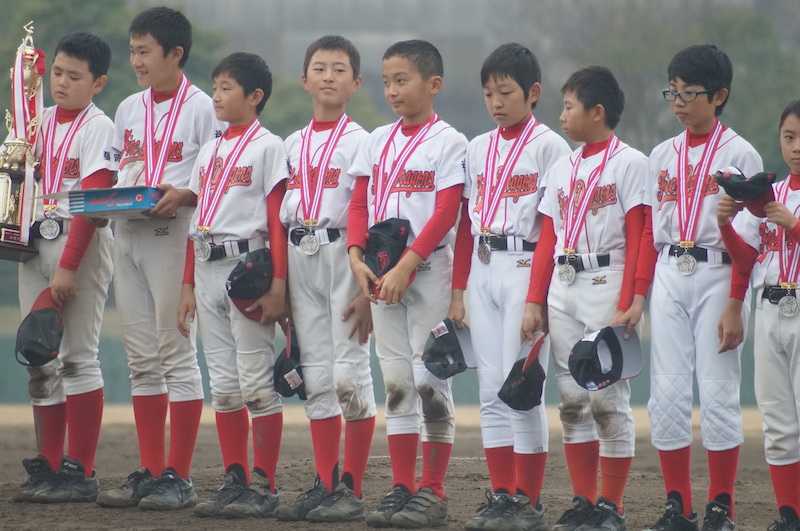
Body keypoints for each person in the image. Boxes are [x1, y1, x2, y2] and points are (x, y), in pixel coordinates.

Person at [95, 7, 223, 511]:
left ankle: (180, 476)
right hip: (127, 231)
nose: (136, 61)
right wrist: (101, 203)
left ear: (176, 53)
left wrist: (186, 193)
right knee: (141, 359)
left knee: (175, 353)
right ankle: (150, 471)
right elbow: (118, 170)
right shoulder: (129, 107)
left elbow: (217, 175)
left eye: (145, 51)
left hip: (174, 234)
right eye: (132, 51)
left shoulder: (203, 108)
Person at [639, 44, 762, 531]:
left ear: (719, 96)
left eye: (690, 92)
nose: (679, 102)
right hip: (671, 269)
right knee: (666, 393)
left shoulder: (740, 153)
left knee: (717, 391)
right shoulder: (660, 154)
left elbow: (749, 242)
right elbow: (651, 231)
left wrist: (735, 302)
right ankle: (677, 505)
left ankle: (721, 506)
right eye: (673, 91)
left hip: (718, 272)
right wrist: (640, 294)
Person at [447, 42, 569, 531]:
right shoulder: (478, 147)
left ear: (533, 92)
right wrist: (458, 289)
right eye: (488, 93)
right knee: (491, 389)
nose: (496, 102)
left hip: (524, 263)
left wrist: (537, 297)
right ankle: (501, 494)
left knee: (522, 389)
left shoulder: (549, 147)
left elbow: (554, 227)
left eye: (506, 92)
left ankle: (528, 501)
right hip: (483, 266)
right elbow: (464, 224)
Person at [521, 65, 647, 531]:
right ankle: (584, 501)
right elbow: (548, 240)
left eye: (569, 106)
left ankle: (611, 506)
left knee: (607, 398)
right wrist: (535, 301)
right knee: (572, 399)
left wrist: (632, 298)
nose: (561, 115)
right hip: (564, 282)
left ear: (597, 111)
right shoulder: (562, 167)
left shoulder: (630, 163)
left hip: (606, 279)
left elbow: (638, 235)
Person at [347, 39, 467, 528]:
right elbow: (359, 204)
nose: (392, 90)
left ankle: (432, 490)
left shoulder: (450, 142)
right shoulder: (376, 140)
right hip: (380, 274)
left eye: (402, 80)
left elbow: (446, 212)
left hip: (428, 271)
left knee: (429, 382)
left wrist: (407, 265)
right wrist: (356, 258)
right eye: (386, 82)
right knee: (396, 383)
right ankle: (401, 486)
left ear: (433, 84)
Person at [174, 51, 287, 519]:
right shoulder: (210, 150)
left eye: (226, 88)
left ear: (255, 96)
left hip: (247, 269)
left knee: (256, 382)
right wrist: (186, 286)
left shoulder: (269, 147)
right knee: (223, 387)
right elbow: (196, 223)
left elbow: (277, 221)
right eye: (215, 86)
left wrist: (278, 283)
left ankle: (264, 484)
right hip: (206, 266)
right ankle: (235, 479)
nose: (216, 96)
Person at [274, 35, 377, 523]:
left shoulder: (363, 142)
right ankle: (325, 481)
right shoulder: (291, 144)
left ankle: (351, 488)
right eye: (319, 68)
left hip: (343, 254)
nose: (329, 76)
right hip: (301, 252)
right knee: (315, 376)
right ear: (304, 80)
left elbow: (369, 211)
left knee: (348, 374)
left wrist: (368, 288)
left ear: (356, 83)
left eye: (340, 69)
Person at [10, 32, 115, 504]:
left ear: (98, 83)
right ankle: (49, 467)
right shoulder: (37, 122)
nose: (62, 82)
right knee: (39, 354)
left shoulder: (99, 127)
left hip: (78, 243)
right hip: (34, 245)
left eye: (75, 76)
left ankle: (81, 470)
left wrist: (69, 266)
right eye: (56, 72)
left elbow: (93, 201)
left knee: (78, 358)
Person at [716, 100, 800, 531]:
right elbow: (747, 259)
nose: (796, 146)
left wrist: (794, 226)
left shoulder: (781, 209)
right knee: (778, 422)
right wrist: (725, 225)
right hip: (768, 306)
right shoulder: (770, 197)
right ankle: (790, 514)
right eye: (789, 137)